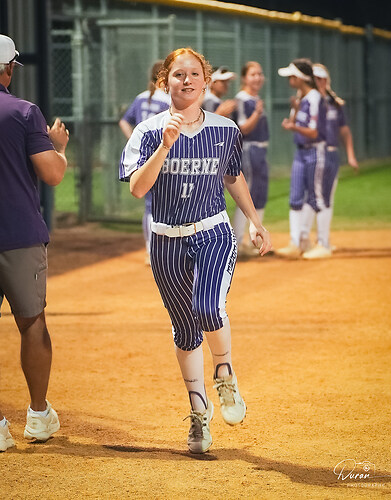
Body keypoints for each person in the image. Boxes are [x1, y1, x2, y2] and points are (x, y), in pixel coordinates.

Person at [119, 47, 272, 454]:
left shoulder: (225, 129)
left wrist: (254, 222)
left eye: (194, 74)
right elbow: (137, 188)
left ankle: (225, 374)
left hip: (212, 232)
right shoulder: (148, 131)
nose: (186, 80)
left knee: (208, 307)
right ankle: (199, 415)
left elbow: (232, 176)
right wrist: (164, 146)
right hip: (166, 240)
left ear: (206, 82)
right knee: (186, 332)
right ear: (164, 82)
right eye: (177, 74)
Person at [0, 34, 69, 451]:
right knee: (31, 323)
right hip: (18, 235)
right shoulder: (24, 112)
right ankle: (38, 416)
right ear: (8, 69)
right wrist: (57, 146)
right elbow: (53, 174)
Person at [300, 63, 359, 259]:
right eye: (315, 79)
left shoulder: (334, 103)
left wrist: (350, 155)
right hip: (315, 153)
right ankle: (306, 239)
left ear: (326, 80)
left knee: (324, 198)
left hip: (331, 154)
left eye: (321, 78)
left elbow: (345, 131)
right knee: (314, 197)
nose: (319, 82)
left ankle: (322, 242)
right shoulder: (310, 101)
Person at [119, 61, 170, 263]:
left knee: (150, 205)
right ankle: (159, 249)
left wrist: (134, 140)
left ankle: (150, 249)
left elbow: (124, 121)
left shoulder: (141, 97)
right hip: (160, 155)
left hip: (143, 155)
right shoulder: (168, 100)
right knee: (163, 202)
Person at [275, 58, 327, 259]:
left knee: (315, 197)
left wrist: (293, 127)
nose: (289, 79)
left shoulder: (314, 98)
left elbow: (314, 132)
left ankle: (320, 243)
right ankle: (296, 242)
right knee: (295, 197)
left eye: (292, 76)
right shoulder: (300, 98)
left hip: (314, 151)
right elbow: (292, 122)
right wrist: (295, 110)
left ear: (301, 78)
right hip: (300, 152)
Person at [231, 61, 269, 257]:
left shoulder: (256, 98)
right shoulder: (242, 99)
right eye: (253, 74)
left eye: (260, 74)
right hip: (248, 150)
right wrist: (257, 113)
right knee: (247, 195)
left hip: (261, 150)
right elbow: (243, 128)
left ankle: (256, 242)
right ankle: (236, 243)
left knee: (260, 195)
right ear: (244, 78)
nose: (258, 78)